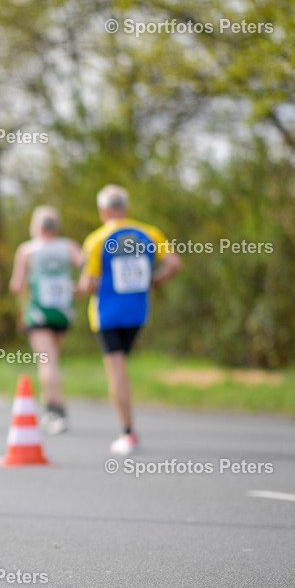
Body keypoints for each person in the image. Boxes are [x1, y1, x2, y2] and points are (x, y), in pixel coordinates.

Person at [78, 185, 182, 455]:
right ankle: (128, 431)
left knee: (117, 371)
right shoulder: (150, 232)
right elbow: (174, 264)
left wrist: (81, 288)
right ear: (125, 207)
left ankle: (127, 433)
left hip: (107, 314)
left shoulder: (97, 239)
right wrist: (154, 281)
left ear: (103, 211)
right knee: (122, 366)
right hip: (138, 312)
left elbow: (88, 285)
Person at [9, 206, 83, 434]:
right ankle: (50, 400)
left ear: (37, 226)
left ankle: (55, 410)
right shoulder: (68, 246)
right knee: (53, 360)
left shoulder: (28, 250)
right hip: (62, 311)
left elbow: (16, 286)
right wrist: (77, 288)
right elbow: (89, 270)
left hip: (39, 311)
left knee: (46, 361)